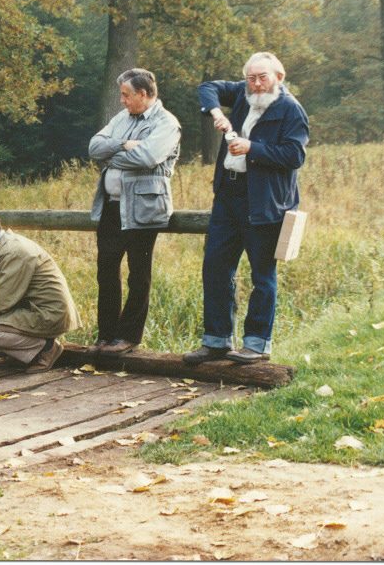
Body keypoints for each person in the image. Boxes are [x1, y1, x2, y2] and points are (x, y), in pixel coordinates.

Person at [184, 52, 309, 364]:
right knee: (215, 268)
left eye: (262, 77)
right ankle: (216, 342)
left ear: (278, 77)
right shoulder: (243, 93)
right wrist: (217, 113)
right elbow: (207, 87)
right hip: (228, 195)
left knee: (262, 276)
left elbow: (294, 156)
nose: (256, 84)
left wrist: (252, 147)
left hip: (265, 200)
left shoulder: (291, 109)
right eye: (251, 78)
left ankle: (257, 345)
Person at [87, 68, 182, 356]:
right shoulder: (122, 119)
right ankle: (106, 335)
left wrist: (111, 157)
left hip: (144, 208)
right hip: (112, 207)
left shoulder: (167, 123)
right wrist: (122, 145)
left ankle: (128, 337)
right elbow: (94, 148)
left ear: (143, 94)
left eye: (126, 95)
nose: (122, 100)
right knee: (106, 272)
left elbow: (147, 157)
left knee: (138, 276)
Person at [0, 211, 80, 374]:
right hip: (32, 307)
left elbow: (0, 302)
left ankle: (47, 347)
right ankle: (14, 353)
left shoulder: (13, 252)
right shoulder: (4, 245)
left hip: (48, 314)